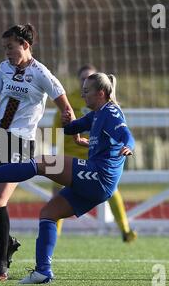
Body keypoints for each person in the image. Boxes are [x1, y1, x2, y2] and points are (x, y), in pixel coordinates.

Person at [0, 72, 135, 284]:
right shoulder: (96, 114)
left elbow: (126, 135)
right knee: (48, 213)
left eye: (86, 91)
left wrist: (128, 147)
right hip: (98, 183)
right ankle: (43, 271)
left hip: (99, 175)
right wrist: (69, 123)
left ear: (100, 93)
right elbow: (72, 128)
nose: (82, 94)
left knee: (42, 163)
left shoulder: (111, 112)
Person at [0, 24, 77, 281]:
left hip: (20, 143)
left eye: (10, 47)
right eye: (4, 48)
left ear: (25, 45)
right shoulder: (3, 69)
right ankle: (8, 242)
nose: (6, 53)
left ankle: (2, 264)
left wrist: (74, 128)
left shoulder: (41, 73)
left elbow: (65, 105)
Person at [53, 64, 137, 242]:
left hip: (95, 156)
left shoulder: (106, 110)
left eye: (89, 78)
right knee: (58, 193)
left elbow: (125, 134)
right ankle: (55, 233)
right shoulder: (71, 100)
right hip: (71, 153)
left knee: (112, 191)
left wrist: (127, 145)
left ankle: (125, 229)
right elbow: (60, 127)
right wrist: (64, 126)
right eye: (83, 78)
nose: (85, 82)